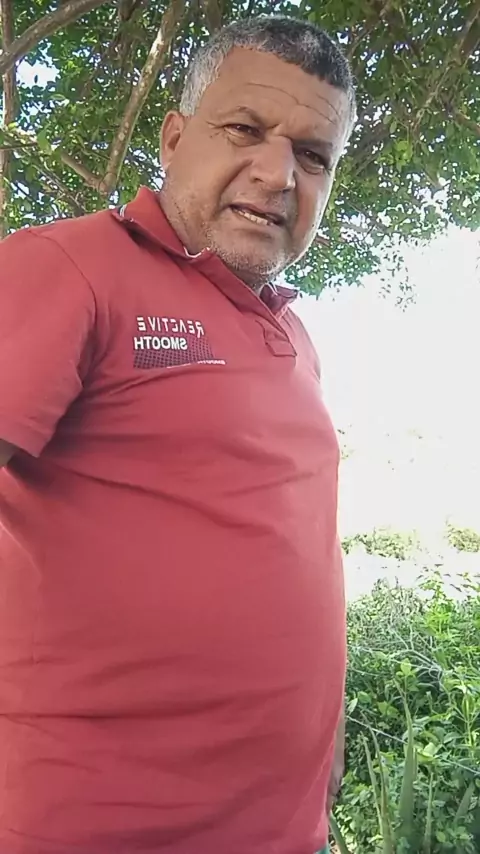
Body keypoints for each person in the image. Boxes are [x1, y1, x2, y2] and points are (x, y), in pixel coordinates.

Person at [0, 14, 355, 854]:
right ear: (172, 137)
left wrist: (325, 731)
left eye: (313, 156)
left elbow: (296, 548)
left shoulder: (294, 335)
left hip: (283, 827)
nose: (278, 174)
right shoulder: (69, 266)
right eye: (245, 129)